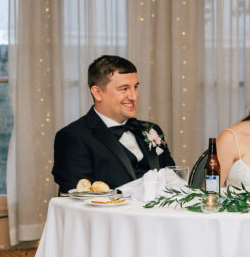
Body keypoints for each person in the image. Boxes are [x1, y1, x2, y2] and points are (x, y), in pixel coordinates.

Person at [52, 55, 175, 194]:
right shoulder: (73, 137)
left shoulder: (151, 129)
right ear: (98, 93)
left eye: (135, 87)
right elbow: (78, 199)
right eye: (124, 89)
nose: (134, 97)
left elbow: (173, 180)